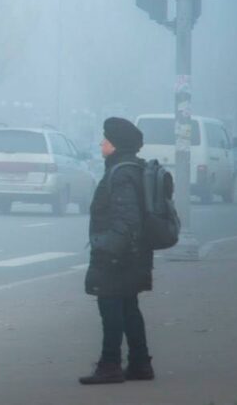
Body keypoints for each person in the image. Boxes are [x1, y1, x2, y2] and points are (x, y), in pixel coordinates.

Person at [80, 117, 155, 385]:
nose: (101, 143)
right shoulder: (130, 168)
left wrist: (107, 249)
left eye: (105, 139)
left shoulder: (121, 173)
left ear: (115, 145)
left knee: (110, 306)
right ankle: (140, 363)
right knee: (128, 307)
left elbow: (127, 219)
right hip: (132, 253)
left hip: (118, 255)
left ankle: (110, 364)